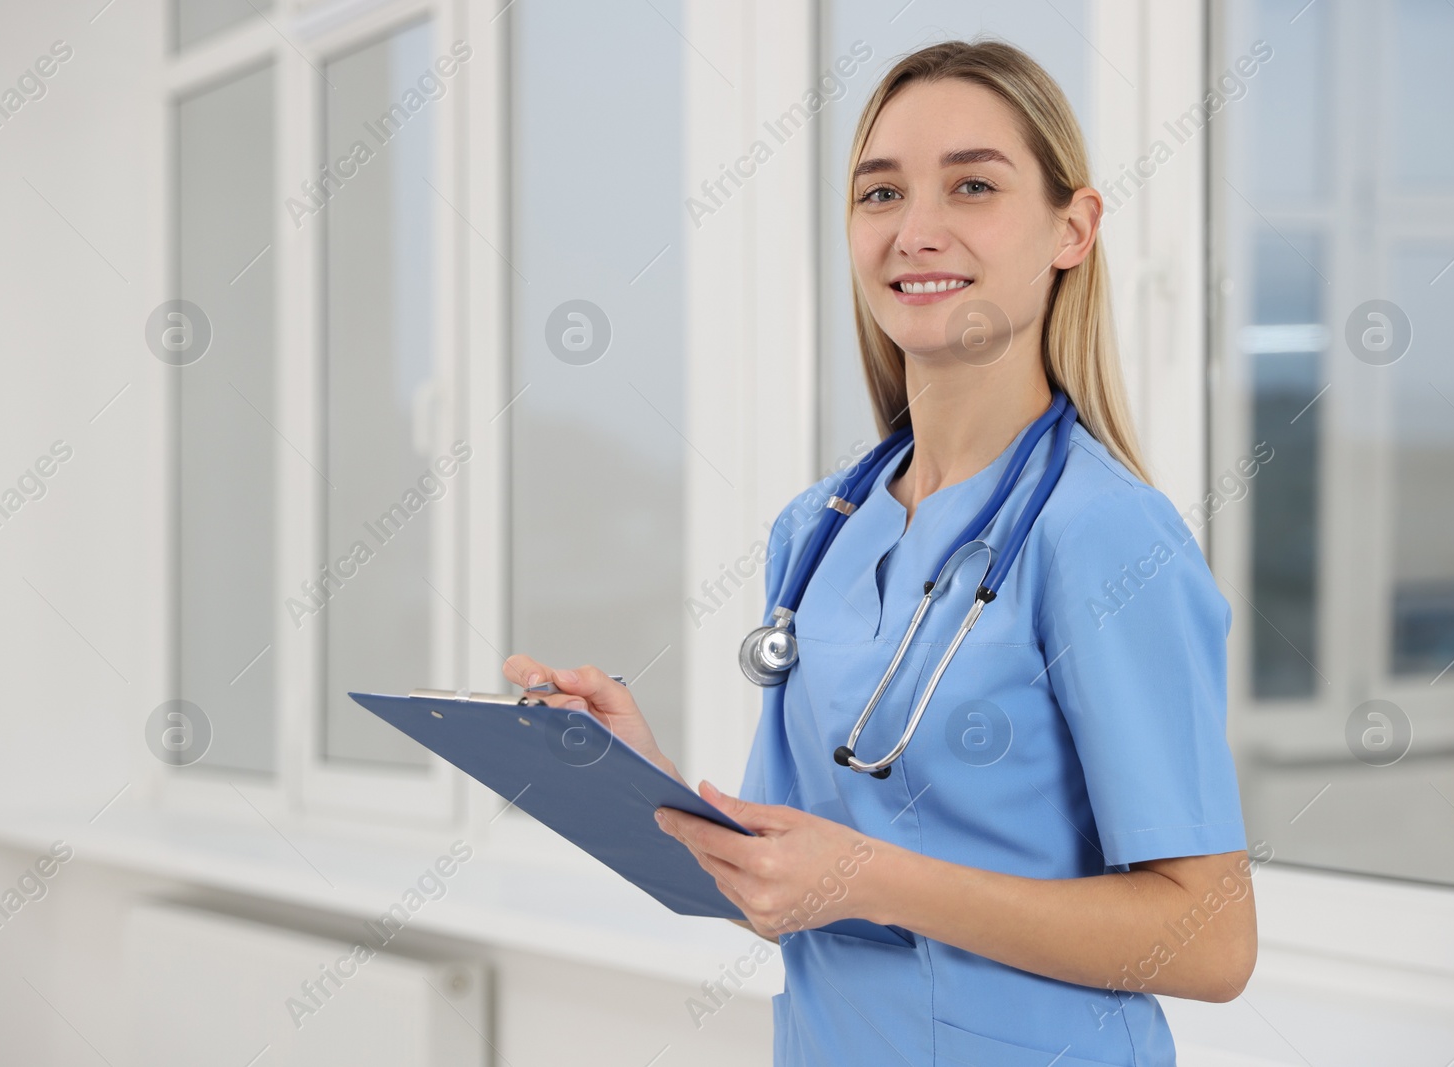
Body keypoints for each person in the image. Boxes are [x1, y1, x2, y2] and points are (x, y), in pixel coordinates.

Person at [503, 37, 1256, 1067]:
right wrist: (643, 779)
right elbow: (784, 894)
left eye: (973, 185)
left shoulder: (1103, 533)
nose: (917, 230)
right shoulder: (816, 530)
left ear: (1071, 228)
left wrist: (873, 876)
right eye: (879, 194)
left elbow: (1210, 938)